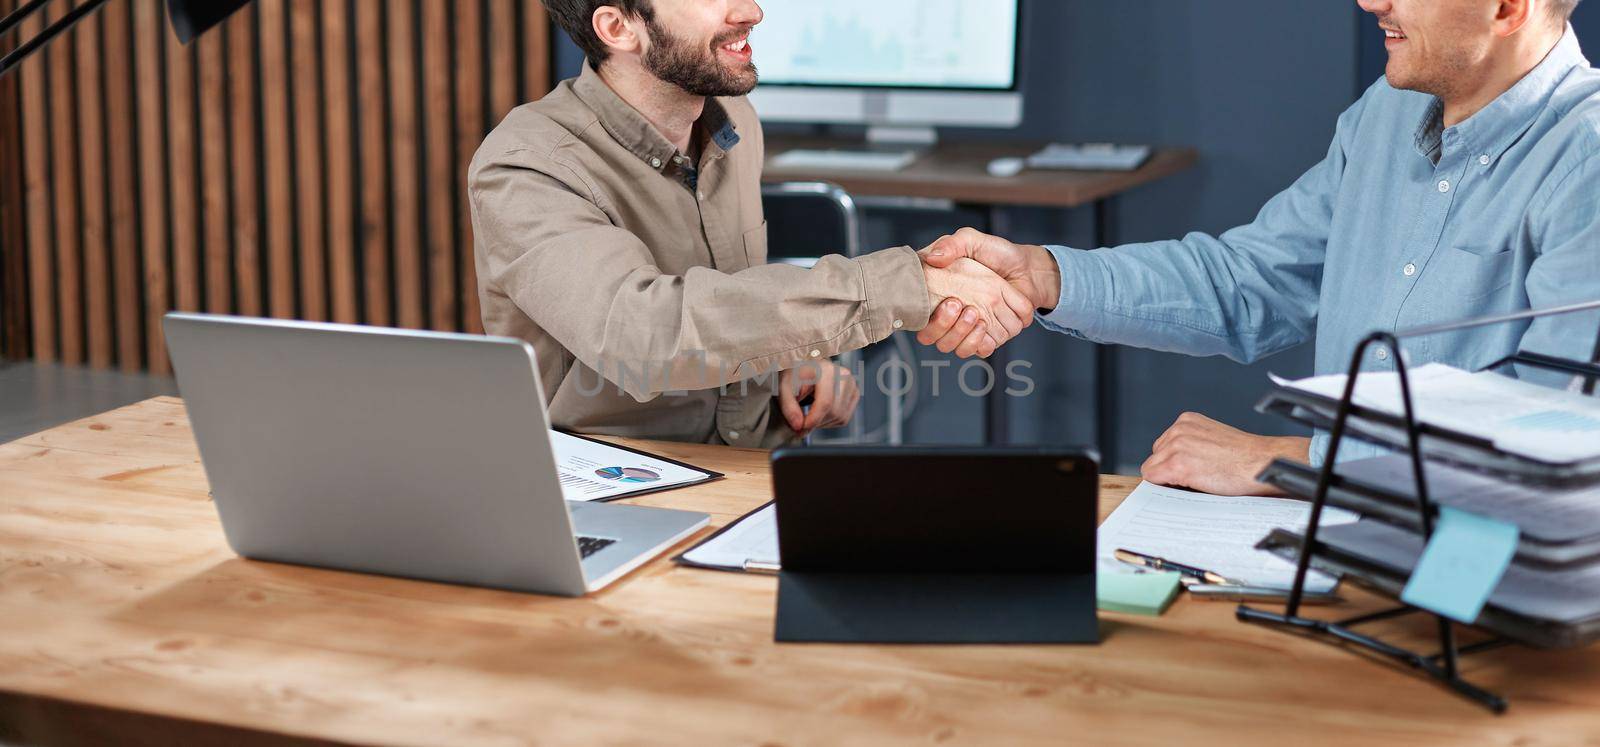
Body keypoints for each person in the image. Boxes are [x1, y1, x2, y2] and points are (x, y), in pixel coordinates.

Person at [919, 0, 1600, 494]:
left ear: (1508, 8)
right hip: (1339, 554)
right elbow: (1251, 281)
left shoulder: (1586, 162)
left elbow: (1552, 448)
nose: (1371, 3)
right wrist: (1044, 274)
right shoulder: (1383, 116)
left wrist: (1289, 461)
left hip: (1479, 587)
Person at [469, 0, 1031, 447]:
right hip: (622, 490)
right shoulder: (527, 165)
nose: (753, 11)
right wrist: (910, 285)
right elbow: (644, 336)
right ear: (619, 28)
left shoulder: (734, 120)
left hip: (752, 470)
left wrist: (798, 362)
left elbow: (730, 301)